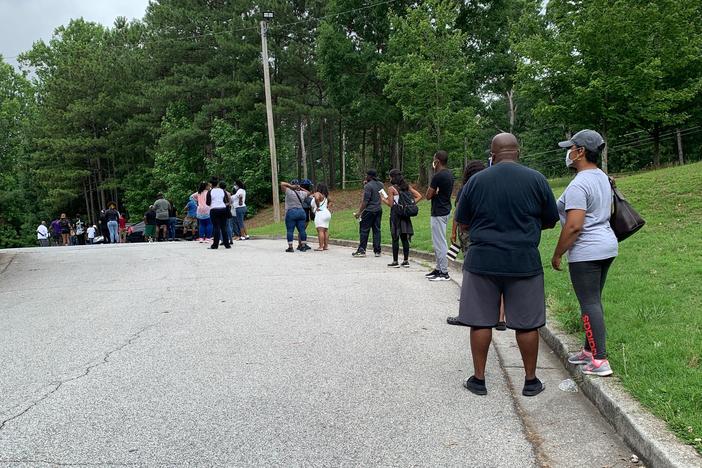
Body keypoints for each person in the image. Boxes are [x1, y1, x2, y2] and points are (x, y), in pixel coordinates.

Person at [454, 132, 559, 397]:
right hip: (523, 260)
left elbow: (463, 221)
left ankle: (479, 380)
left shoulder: (476, 182)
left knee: (480, 322)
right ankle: (530, 381)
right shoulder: (536, 179)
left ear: (492, 154)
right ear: (518, 152)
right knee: (526, 324)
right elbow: (550, 219)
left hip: (482, 261)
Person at [552, 130, 618, 377]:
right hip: (606, 245)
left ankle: (600, 360)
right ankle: (589, 351)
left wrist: (558, 253)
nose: (568, 153)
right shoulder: (601, 177)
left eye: (571, 148)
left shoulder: (580, 183)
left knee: (589, 302)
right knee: (593, 301)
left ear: (580, 152)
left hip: (587, 250)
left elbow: (574, 225)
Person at [446, 161, 507, 330]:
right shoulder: (492, 186)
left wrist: (453, 232)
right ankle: (501, 318)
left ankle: (471, 314)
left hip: (471, 236)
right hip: (494, 235)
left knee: (472, 274)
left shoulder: (467, 188)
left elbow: (459, 216)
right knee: (499, 275)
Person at [381, 169, 423, 267]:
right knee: (404, 238)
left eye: (390, 177)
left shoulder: (391, 189)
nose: (389, 178)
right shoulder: (406, 186)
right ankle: (406, 260)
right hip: (405, 215)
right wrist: (410, 204)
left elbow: (391, 204)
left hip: (396, 215)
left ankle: (395, 261)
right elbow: (419, 196)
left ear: (393, 177)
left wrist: (383, 199)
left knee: (395, 237)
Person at [425, 150, 455, 281]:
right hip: (445, 209)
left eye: (434, 159)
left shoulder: (437, 176)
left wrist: (434, 192)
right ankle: (438, 268)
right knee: (438, 241)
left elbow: (428, 195)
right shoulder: (449, 174)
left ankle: (444, 272)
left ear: (437, 161)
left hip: (438, 212)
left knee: (439, 243)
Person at [352, 170, 384, 257]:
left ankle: (362, 250)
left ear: (370, 176)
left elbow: (365, 201)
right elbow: (383, 196)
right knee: (377, 230)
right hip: (378, 209)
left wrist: (359, 212)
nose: (365, 177)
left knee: (364, 230)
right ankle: (377, 251)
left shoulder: (368, 186)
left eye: (366, 175)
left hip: (369, 210)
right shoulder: (381, 184)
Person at [280, 179, 311, 253]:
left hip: (291, 212)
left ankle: (290, 247)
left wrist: (291, 186)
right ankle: (303, 246)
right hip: (301, 212)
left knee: (290, 230)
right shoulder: (302, 193)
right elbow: (309, 193)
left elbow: (282, 183)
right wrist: (300, 188)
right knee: (302, 230)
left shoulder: (288, 191)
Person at [206, 181, 231, 250]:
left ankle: (215, 245)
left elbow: (208, 203)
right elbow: (226, 201)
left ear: (211, 185)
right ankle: (227, 244)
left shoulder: (210, 192)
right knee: (224, 227)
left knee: (216, 227)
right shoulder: (222, 191)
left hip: (214, 209)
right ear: (217, 184)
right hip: (223, 209)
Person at [311, 183, 332, 251]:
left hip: (320, 213)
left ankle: (320, 247)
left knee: (320, 231)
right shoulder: (326, 196)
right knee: (325, 230)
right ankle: (325, 246)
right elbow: (330, 202)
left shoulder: (318, 193)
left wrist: (318, 206)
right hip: (327, 213)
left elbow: (316, 198)